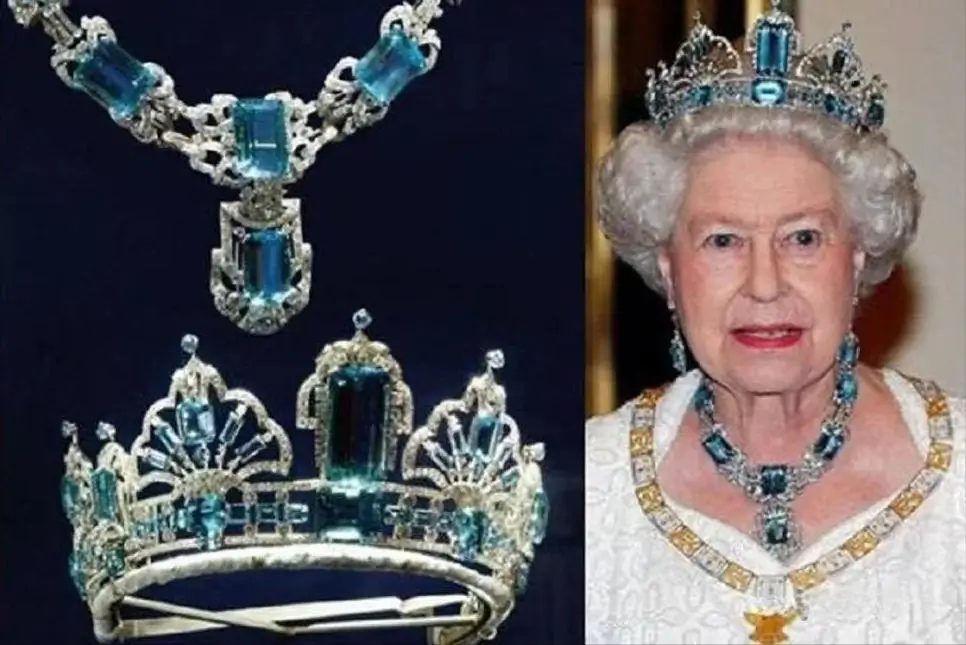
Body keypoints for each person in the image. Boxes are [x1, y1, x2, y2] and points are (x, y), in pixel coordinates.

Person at [584, 4, 965, 645]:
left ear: (859, 256)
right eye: (724, 241)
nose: (765, 284)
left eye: (804, 238)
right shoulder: (591, 491)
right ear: (669, 271)